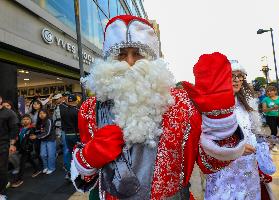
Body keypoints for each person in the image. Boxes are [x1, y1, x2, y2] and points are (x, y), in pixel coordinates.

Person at [70, 15, 245, 199]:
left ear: (153, 59)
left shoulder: (181, 103)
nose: (129, 62)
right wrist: (88, 158)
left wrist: (220, 121)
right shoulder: (90, 108)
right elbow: (87, 178)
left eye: (138, 53)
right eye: (120, 54)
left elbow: (210, 164)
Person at [204, 60, 263, 200]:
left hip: (247, 168)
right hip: (224, 169)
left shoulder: (246, 103)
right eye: (232, 75)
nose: (236, 80)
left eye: (240, 76)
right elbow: (206, 141)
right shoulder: (211, 105)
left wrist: (259, 144)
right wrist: (237, 149)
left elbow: (251, 131)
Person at [11, 114, 42, 188]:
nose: (25, 120)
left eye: (27, 119)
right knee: (29, 159)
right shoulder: (21, 129)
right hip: (21, 148)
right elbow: (19, 138)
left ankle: (19, 179)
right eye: (24, 119)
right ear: (21, 120)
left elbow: (31, 139)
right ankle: (37, 169)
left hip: (26, 149)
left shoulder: (31, 129)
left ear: (30, 120)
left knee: (22, 163)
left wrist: (28, 147)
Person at [0, 96, 19, 200]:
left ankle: (2, 193)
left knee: (2, 169)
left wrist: (12, 144)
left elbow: (14, 129)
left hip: (3, 144)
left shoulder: (8, 113)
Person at [60, 94, 79, 180]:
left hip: (67, 134)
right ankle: (77, 172)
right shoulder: (77, 111)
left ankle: (69, 171)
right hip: (75, 134)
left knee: (70, 152)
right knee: (77, 153)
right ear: (76, 101)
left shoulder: (63, 110)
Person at [31, 109, 56, 175]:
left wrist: (36, 136)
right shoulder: (40, 121)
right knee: (42, 154)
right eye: (40, 113)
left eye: (43, 113)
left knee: (51, 155)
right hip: (43, 140)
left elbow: (47, 132)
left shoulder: (48, 120)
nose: (41, 115)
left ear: (46, 113)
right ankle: (46, 167)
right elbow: (39, 130)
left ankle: (51, 168)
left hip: (50, 140)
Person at [262, 85, 279, 152]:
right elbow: (264, 110)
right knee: (274, 131)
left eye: (270, 91)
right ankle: (273, 145)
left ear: (275, 91)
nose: (269, 92)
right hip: (270, 117)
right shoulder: (265, 99)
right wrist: (272, 108)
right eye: (267, 91)